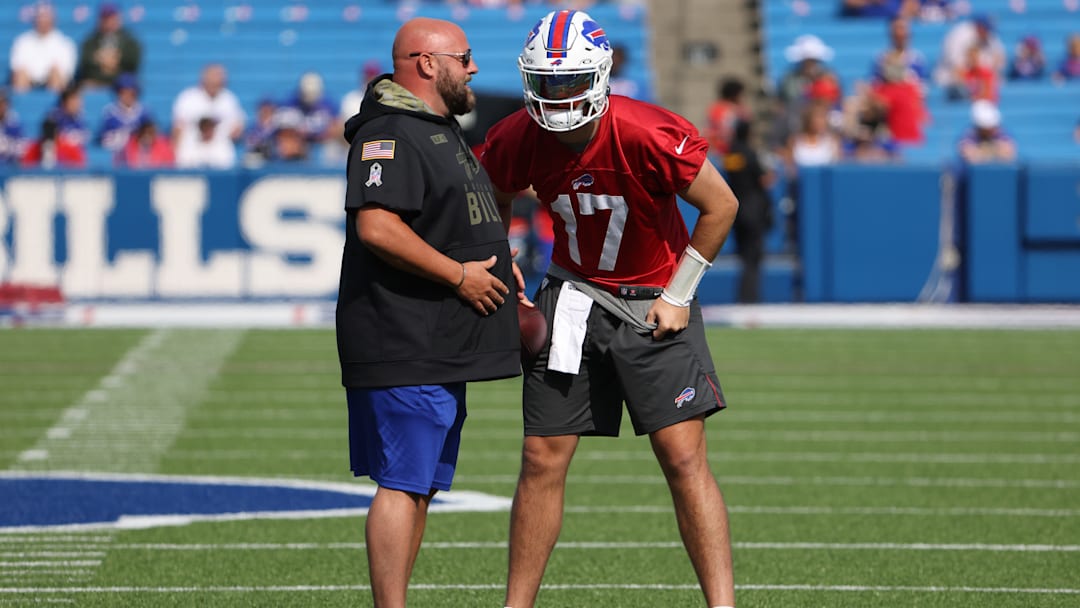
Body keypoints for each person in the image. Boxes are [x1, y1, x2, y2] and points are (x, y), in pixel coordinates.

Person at [480, 10, 739, 608]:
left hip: (654, 303)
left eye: (570, 81)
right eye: (547, 83)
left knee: (682, 456)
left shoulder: (646, 130)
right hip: (571, 299)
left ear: (599, 76)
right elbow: (496, 190)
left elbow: (720, 205)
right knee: (541, 456)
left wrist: (679, 294)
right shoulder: (519, 134)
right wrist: (503, 254)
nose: (559, 95)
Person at [335, 17, 522, 608]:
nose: (472, 68)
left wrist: (491, 258)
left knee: (419, 488)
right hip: (403, 335)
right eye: (463, 57)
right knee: (402, 485)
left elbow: (447, 217)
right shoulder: (389, 131)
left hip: (436, 340)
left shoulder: (437, 127)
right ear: (424, 62)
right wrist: (459, 274)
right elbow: (379, 226)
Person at [723, 119, 774, 304]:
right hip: (753, 207)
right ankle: (751, 296)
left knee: (744, 255)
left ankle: (745, 294)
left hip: (737, 207)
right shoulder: (750, 153)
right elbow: (763, 179)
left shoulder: (730, 153)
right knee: (754, 255)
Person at [171, 63, 246, 147]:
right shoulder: (188, 98)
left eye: (220, 77)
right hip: (193, 147)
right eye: (213, 76)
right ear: (204, 78)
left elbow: (238, 126)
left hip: (219, 148)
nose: (216, 80)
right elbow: (178, 128)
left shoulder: (229, 99)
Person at [8, 3, 77, 93]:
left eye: (46, 17)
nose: (42, 21)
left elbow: (66, 74)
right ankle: (22, 104)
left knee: (55, 75)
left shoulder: (65, 43)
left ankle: (54, 105)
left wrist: (50, 74)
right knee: (21, 75)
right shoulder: (22, 41)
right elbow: (17, 68)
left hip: (54, 83)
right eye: (40, 17)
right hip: (28, 82)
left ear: (53, 19)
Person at [75, 2, 142, 89]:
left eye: (112, 17)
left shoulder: (130, 41)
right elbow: (86, 65)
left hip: (122, 88)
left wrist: (112, 73)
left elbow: (131, 65)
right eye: (105, 18)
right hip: (95, 86)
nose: (109, 22)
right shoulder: (90, 42)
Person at [97, 72, 149, 153]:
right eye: (123, 92)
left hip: (137, 154)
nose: (127, 96)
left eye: (131, 93)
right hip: (115, 153)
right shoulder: (110, 112)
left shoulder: (143, 112)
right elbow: (104, 139)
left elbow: (150, 135)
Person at [958, 99, 1016, 164]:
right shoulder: (969, 134)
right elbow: (969, 155)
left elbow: (1008, 153)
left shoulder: (999, 131)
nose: (991, 130)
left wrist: (982, 152)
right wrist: (993, 151)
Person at [0, 88, 27, 165]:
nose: (1, 107)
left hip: (9, 165)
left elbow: (20, 150)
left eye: (2, 104)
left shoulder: (14, 124)